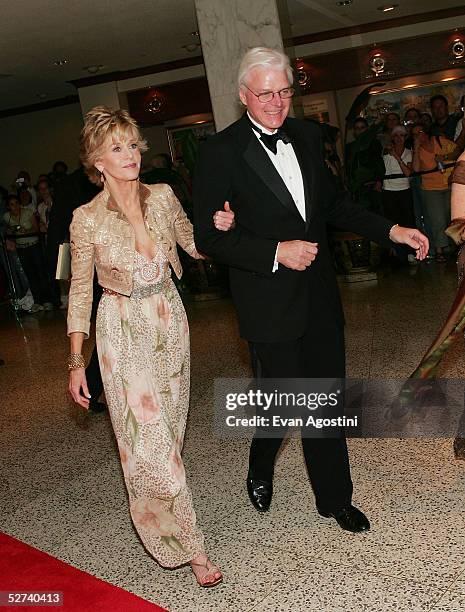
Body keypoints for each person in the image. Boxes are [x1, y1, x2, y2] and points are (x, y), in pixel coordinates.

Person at [194, 47, 429, 534]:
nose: (277, 103)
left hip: (319, 297)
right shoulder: (220, 151)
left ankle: (335, 499)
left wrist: (391, 232)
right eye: (265, 94)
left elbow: (335, 206)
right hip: (268, 302)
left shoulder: (304, 135)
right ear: (243, 96)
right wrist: (275, 251)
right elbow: (210, 236)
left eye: (284, 92)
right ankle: (261, 463)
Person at [67, 106, 234, 587]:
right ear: (97, 162)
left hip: (168, 321)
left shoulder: (161, 196)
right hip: (120, 328)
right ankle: (196, 550)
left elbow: (194, 246)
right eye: (116, 148)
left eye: (133, 144)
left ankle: (163, 524)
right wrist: (77, 361)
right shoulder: (87, 219)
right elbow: (80, 290)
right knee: (152, 444)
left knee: (168, 438)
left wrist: (221, 232)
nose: (130, 155)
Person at [411, 123, 459, 262]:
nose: (418, 135)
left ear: (425, 132)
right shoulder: (418, 150)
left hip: (448, 185)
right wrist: (416, 148)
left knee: (451, 219)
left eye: (419, 131)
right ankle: (439, 250)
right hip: (431, 189)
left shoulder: (439, 141)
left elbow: (457, 150)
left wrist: (444, 157)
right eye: (414, 134)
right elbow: (416, 169)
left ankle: (454, 248)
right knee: (436, 220)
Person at [3, 194, 52, 312]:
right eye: (12, 204)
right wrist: (11, 231)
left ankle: (47, 300)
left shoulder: (28, 212)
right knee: (30, 275)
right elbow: (7, 230)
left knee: (41, 272)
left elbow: (36, 229)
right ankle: (37, 301)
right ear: (8, 207)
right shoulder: (6, 217)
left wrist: (27, 230)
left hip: (33, 246)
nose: (15, 206)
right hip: (21, 248)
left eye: (16, 203)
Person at [382, 125, 416, 264]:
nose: (399, 138)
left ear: (405, 137)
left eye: (402, 135)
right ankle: (395, 252)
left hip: (404, 189)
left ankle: (410, 252)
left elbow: (408, 173)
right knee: (391, 222)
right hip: (389, 190)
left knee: (407, 221)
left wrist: (396, 156)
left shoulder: (409, 152)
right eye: (396, 135)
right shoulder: (385, 152)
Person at [345, 116, 385, 213]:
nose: (360, 130)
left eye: (362, 127)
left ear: (367, 129)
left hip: (371, 185)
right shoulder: (349, 147)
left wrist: (379, 181)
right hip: (357, 187)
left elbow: (378, 162)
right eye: (357, 128)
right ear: (354, 131)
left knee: (376, 214)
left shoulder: (374, 143)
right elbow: (349, 166)